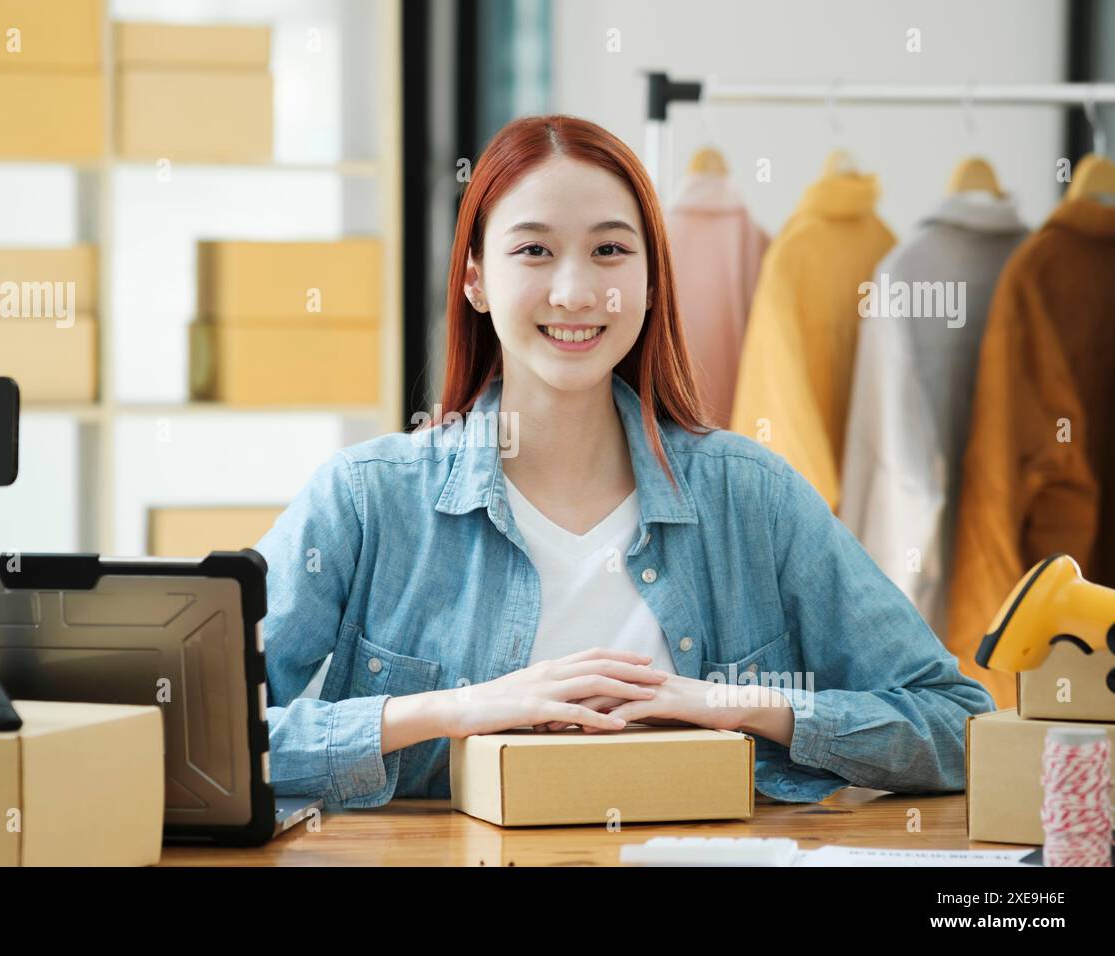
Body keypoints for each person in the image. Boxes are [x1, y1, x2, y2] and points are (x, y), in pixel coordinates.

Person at [256, 114, 996, 810]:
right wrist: (455, 710)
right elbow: (204, 741)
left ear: (649, 281)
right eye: (534, 250)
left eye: (609, 250)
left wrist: (736, 707)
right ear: (475, 278)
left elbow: (957, 726)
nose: (576, 291)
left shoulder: (752, 496)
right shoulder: (365, 499)